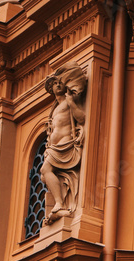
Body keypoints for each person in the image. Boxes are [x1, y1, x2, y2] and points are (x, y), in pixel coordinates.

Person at [41, 64, 87, 221]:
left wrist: (72, 103)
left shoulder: (68, 102)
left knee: (45, 170)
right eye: (54, 83)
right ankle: (60, 204)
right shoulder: (55, 108)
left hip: (65, 145)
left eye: (60, 82)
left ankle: (60, 203)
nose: (57, 84)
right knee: (43, 176)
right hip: (54, 148)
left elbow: (81, 118)